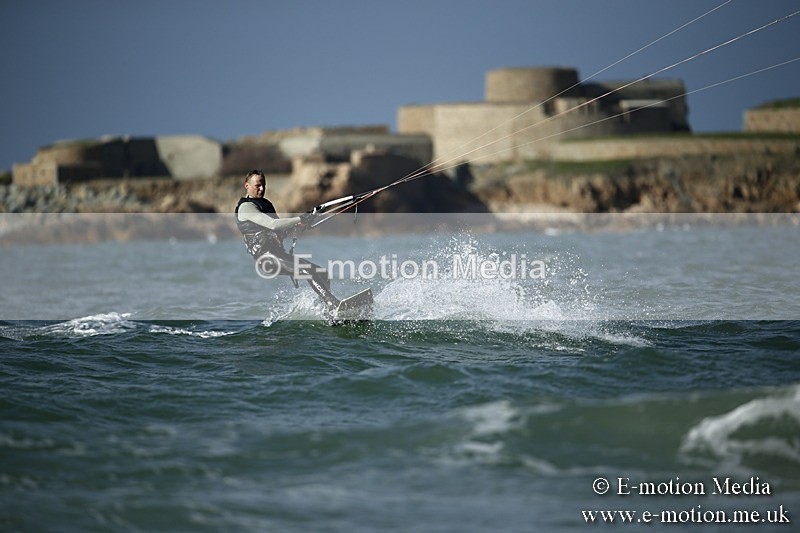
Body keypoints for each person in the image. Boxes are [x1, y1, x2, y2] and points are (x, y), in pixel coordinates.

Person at [235, 169, 340, 310]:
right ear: (246, 186)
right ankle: (332, 304)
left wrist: (301, 224)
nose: (261, 189)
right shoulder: (246, 207)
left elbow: (280, 230)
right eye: (257, 186)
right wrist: (299, 218)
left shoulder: (266, 204)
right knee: (307, 271)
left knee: (322, 273)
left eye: (263, 185)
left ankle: (329, 310)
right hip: (266, 258)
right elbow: (272, 224)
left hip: (278, 254)